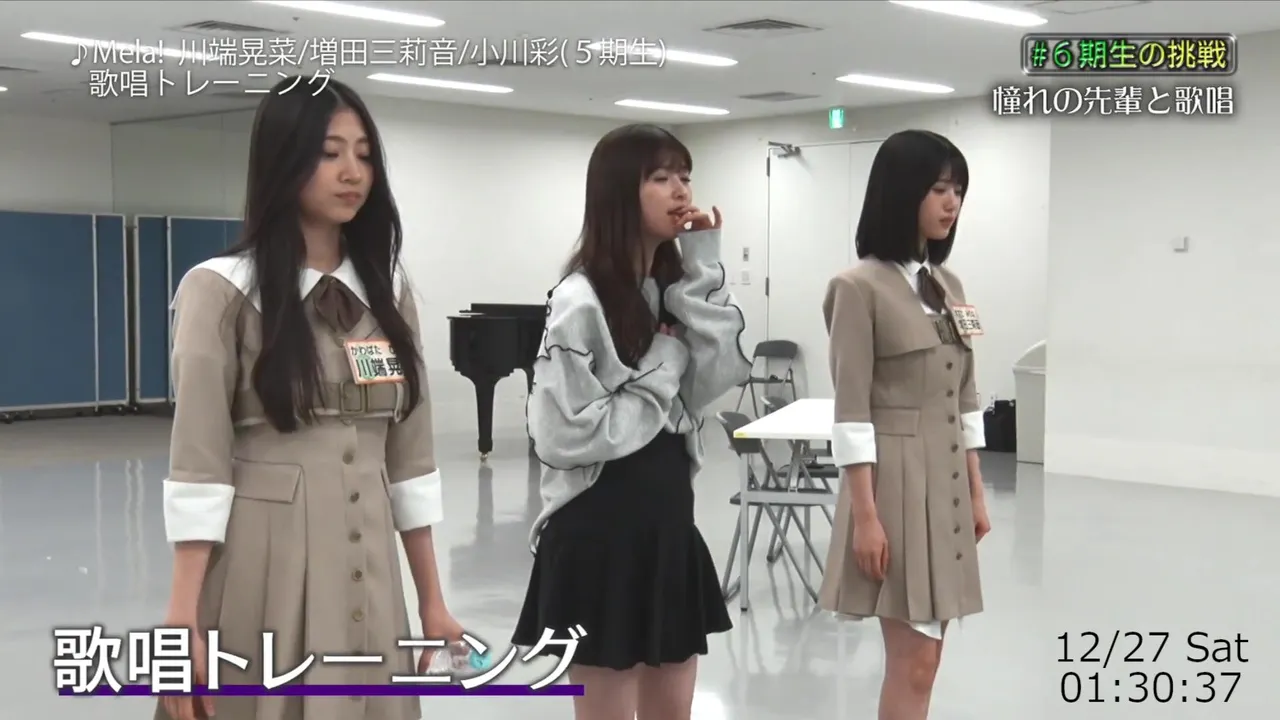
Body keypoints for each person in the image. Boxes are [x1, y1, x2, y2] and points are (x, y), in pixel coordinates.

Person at [157, 75, 463, 720]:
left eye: (364, 154)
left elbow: (409, 462)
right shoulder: (220, 292)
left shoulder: (389, 294)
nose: (353, 172)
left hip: (372, 567)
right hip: (262, 567)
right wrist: (182, 622)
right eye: (329, 153)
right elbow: (199, 469)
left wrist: (432, 601)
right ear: (283, 159)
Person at [511, 124, 751, 719]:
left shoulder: (671, 291)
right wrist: (662, 365)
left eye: (685, 176)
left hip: (667, 526)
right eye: (660, 177)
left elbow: (716, 375)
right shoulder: (578, 299)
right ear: (620, 191)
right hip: (597, 533)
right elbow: (562, 436)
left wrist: (702, 264)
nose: (680, 190)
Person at [818, 129, 992, 720]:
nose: (952, 202)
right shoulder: (856, 288)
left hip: (945, 484)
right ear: (901, 192)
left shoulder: (949, 286)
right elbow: (852, 410)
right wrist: (865, 517)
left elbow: (965, 396)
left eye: (959, 190)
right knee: (914, 660)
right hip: (892, 486)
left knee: (929, 659)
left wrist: (976, 490)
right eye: (939, 189)